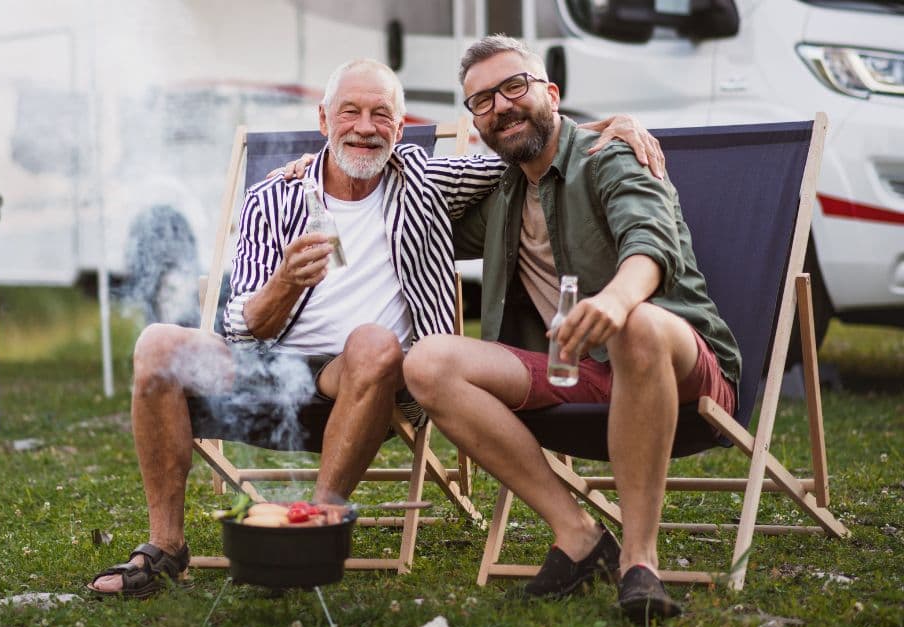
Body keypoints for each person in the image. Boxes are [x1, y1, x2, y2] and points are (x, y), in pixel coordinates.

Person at [88, 57, 657, 598]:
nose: (366, 128)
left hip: (369, 376)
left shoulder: (426, 182)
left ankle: (313, 527)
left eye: (382, 114)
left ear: (400, 125)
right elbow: (246, 325)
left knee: (372, 341)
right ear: (323, 120)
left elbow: (529, 148)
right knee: (158, 342)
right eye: (350, 112)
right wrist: (286, 281)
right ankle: (165, 545)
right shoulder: (272, 198)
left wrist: (605, 125)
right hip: (269, 364)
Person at [402, 35, 741, 624]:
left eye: (514, 87)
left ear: (550, 93)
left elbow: (650, 242)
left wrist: (616, 302)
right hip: (576, 374)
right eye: (481, 100)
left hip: (677, 364)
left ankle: (640, 564)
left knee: (634, 327)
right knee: (427, 362)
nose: (501, 106)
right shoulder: (501, 190)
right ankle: (580, 537)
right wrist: (323, 163)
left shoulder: (609, 156)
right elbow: (395, 215)